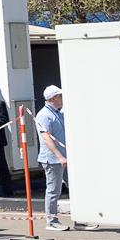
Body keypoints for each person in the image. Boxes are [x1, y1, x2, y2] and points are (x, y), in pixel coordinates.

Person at [37, 85, 68, 231]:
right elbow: (46, 138)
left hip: (64, 158)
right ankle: (52, 221)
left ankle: (80, 219)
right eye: (60, 96)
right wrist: (60, 156)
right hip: (53, 159)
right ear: (54, 98)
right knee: (53, 191)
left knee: (74, 188)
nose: (62, 99)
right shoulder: (44, 115)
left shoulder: (57, 113)